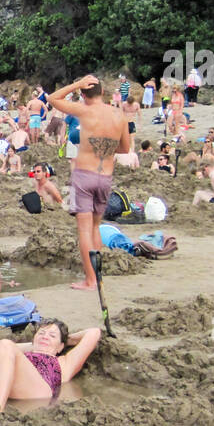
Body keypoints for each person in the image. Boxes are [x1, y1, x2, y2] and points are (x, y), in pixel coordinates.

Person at [48, 74, 131, 290]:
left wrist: (76, 84)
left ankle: (90, 280)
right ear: (103, 93)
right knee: (95, 227)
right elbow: (125, 148)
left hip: (84, 174)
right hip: (105, 176)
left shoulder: (84, 110)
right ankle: (98, 276)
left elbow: (53, 99)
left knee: (84, 230)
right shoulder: (119, 115)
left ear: (83, 95)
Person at [0, 319, 101, 409]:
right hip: (6, 385)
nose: (45, 337)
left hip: (39, 389)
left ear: (61, 346)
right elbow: (2, 351)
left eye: (52, 335)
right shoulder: (21, 353)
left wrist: (66, 340)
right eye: (41, 333)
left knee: (4, 345)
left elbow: (94, 333)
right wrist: (38, 345)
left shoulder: (64, 362)